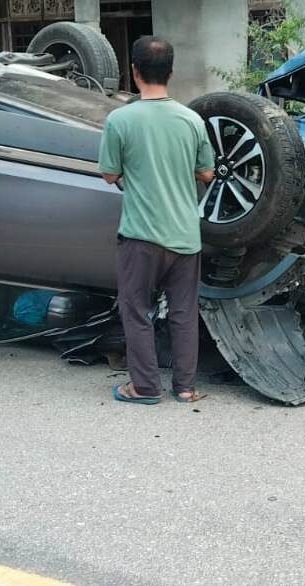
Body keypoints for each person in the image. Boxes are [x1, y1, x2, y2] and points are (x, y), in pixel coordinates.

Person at [99, 37, 215, 405]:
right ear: (171, 73)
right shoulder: (192, 120)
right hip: (185, 236)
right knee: (183, 314)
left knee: (136, 311)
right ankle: (185, 387)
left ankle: (145, 388)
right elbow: (208, 173)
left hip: (141, 236)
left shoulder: (120, 120)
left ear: (133, 71)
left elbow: (108, 173)